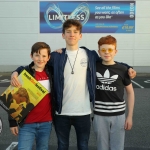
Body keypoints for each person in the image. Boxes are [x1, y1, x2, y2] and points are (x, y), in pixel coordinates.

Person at [11, 19, 136, 150]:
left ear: (80, 36)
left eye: (75, 32)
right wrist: (16, 72)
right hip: (61, 112)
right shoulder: (55, 56)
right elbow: (35, 64)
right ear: (63, 35)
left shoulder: (90, 55)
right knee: (62, 146)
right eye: (68, 31)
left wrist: (128, 67)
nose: (72, 34)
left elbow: (109, 61)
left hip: (83, 112)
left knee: (83, 146)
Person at [9, 42, 55, 150]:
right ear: (31, 56)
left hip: (46, 123)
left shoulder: (51, 72)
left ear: (49, 58)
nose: (40, 59)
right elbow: (13, 100)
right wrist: (12, 123)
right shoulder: (25, 72)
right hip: (27, 124)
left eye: (44, 56)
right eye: (37, 55)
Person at [93, 35, 135, 150]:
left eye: (110, 49)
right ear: (99, 52)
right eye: (103, 50)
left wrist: (130, 116)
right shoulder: (93, 67)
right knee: (102, 147)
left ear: (115, 51)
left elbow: (130, 93)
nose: (107, 52)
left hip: (118, 115)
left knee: (117, 147)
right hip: (99, 115)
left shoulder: (122, 69)